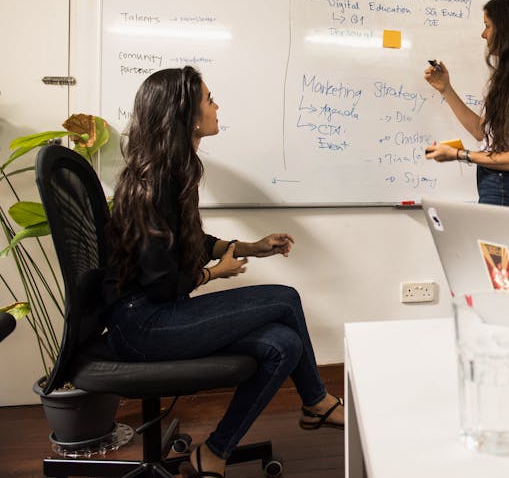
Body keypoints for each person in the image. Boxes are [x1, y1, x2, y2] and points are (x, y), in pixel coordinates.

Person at [103, 66, 343, 478]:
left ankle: (214, 452)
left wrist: (249, 247)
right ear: (188, 115)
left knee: (282, 344)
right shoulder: (155, 179)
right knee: (285, 299)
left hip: (157, 316)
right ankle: (316, 403)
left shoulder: (173, 170)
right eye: (210, 99)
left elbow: (189, 238)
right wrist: (215, 273)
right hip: (144, 325)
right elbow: (162, 286)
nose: (217, 107)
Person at [423, 0, 509, 209]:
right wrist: (446, 89)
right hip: (495, 184)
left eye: (488, 26)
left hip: (508, 189)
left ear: (508, 29)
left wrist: (459, 155)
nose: (483, 34)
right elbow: (482, 132)